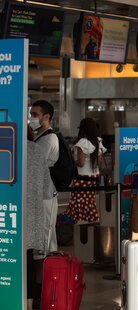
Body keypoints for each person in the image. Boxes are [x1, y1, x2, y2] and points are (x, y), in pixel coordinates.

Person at [26, 126, 53, 310]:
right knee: (27, 265)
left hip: (8, 216)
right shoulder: (36, 150)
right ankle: (27, 304)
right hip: (31, 217)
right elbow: (45, 185)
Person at [30, 100, 59, 254]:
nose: (32, 118)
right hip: (39, 192)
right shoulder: (39, 137)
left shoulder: (48, 139)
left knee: (46, 233)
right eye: (31, 114)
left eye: (35, 114)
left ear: (46, 117)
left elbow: (34, 164)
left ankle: (50, 273)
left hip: (46, 193)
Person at [65, 118, 106, 223]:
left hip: (82, 177)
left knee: (77, 200)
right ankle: (90, 218)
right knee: (89, 200)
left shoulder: (82, 143)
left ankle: (78, 221)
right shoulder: (98, 141)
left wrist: (71, 162)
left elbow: (81, 163)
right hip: (93, 177)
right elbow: (99, 163)